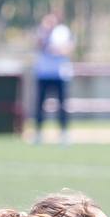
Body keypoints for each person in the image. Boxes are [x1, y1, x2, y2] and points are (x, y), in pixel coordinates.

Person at [32, 8, 73, 144]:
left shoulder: (63, 32)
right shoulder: (42, 31)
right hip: (43, 74)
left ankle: (63, 133)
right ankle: (38, 133)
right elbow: (37, 45)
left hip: (59, 74)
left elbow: (68, 49)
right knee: (39, 105)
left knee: (62, 105)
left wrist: (57, 49)